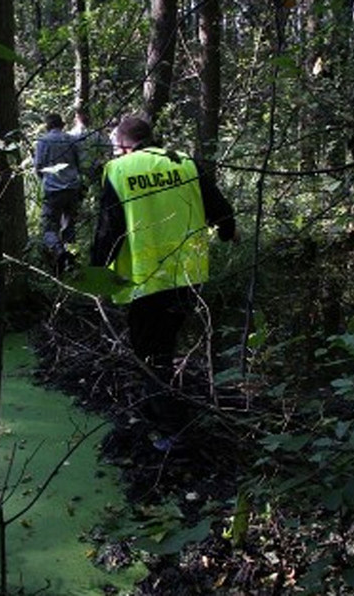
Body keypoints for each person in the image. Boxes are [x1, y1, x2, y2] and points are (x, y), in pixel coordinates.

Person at [90, 115, 238, 448]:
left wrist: (96, 278)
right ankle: (155, 411)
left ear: (125, 145)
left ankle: (172, 431)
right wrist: (228, 232)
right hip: (188, 277)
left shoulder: (120, 170)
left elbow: (107, 231)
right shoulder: (184, 162)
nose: (115, 155)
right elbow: (220, 209)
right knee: (165, 347)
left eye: (116, 149)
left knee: (151, 356)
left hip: (146, 283)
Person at [34, 112, 82, 274]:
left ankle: (59, 252)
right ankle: (71, 262)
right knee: (69, 226)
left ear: (48, 126)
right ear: (61, 125)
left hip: (53, 190)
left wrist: (46, 180)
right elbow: (79, 162)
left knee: (48, 227)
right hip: (72, 189)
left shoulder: (43, 141)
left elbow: (38, 166)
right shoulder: (71, 139)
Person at [68, 108, 111, 186]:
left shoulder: (70, 136)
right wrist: (100, 161)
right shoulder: (95, 134)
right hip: (93, 168)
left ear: (76, 119)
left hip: (77, 171)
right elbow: (108, 148)